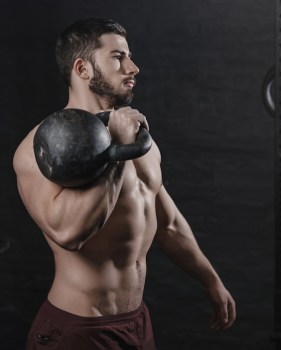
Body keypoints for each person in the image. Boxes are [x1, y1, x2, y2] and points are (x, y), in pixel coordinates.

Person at [13, 17, 236, 350]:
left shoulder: (138, 138)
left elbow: (169, 224)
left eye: (128, 56)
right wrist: (116, 149)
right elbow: (69, 233)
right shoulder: (40, 148)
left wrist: (211, 281)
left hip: (135, 323)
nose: (133, 67)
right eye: (117, 57)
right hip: (78, 331)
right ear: (82, 68)